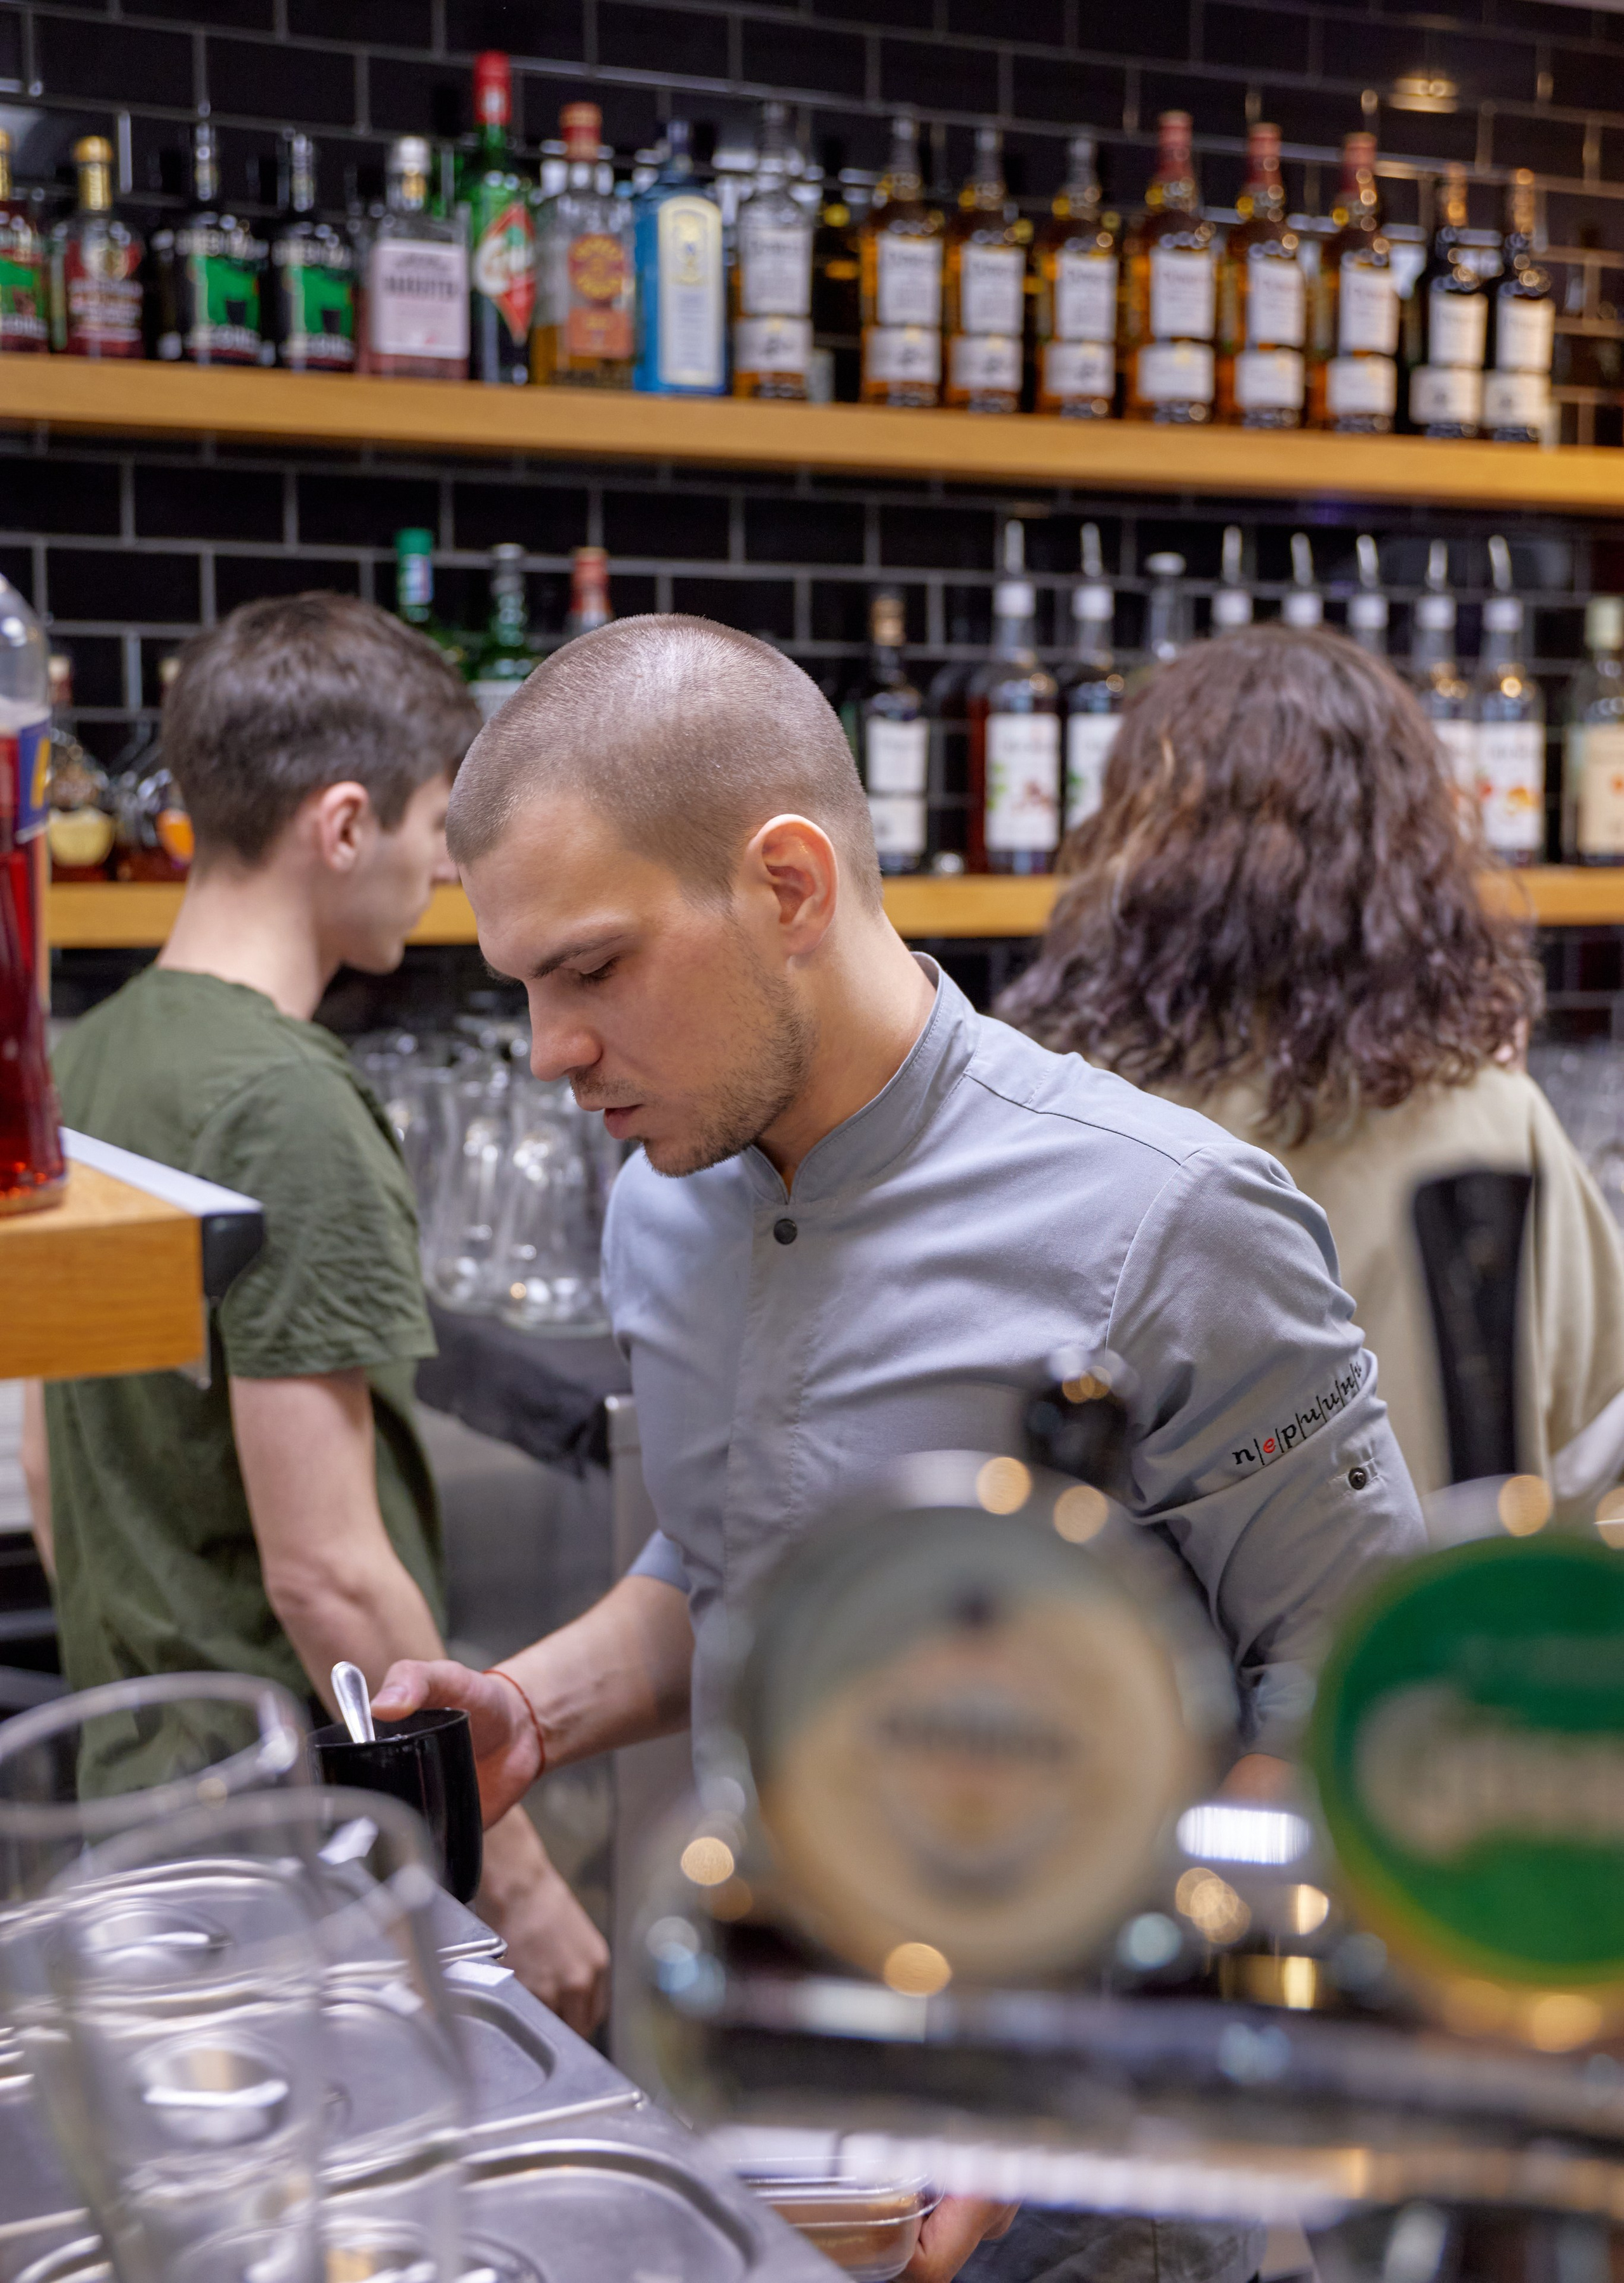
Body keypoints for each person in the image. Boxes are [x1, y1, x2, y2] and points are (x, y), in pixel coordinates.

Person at [374, 613, 1425, 2283]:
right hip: (748, 2110)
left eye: (591, 970)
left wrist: (1058, 2082)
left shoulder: (1169, 1223)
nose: (550, 1050)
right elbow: (737, 1561)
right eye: (523, 988)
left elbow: (1362, 1704)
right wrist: (533, 1709)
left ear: (789, 886)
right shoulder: (660, 1208)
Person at [19, 592, 608, 2032]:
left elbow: (47, 1468)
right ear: (342, 825)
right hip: (292, 1852)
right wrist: (517, 1878)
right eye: (432, 829)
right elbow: (327, 1576)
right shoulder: (288, 1108)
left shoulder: (90, 1057)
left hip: (143, 1810)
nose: (445, 871)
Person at [1002, 621, 1624, 1508]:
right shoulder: (1491, 1110)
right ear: (1411, 847)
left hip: (1145, 1639)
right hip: (1428, 1634)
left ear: (1139, 833)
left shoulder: (1059, 1103)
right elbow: (1596, 1442)